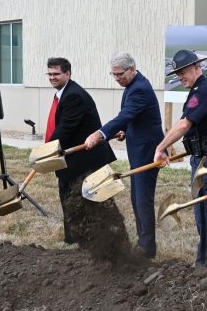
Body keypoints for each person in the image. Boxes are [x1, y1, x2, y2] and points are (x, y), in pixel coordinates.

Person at [154, 49, 207, 270]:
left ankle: (204, 265)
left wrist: (161, 147)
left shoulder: (203, 91)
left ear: (197, 68)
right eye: (177, 73)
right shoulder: (202, 89)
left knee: (204, 208)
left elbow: (184, 124)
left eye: (183, 72)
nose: (179, 77)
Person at [85, 52, 164, 259]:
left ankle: (147, 249)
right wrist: (126, 131)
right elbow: (135, 117)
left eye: (119, 74)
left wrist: (100, 133)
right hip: (139, 145)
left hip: (147, 150)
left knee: (143, 198)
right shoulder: (133, 85)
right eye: (113, 75)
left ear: (131, 69)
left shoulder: (139, 89)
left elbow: (126, 115)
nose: (117, 78)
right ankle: (143, 242)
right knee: (136, 197)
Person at [45, 57, 116, 244]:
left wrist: (46, 152)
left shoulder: (73, 95)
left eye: (56, 74)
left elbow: (64, 129)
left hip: (89, 158)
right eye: (50, 74)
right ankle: (75, 239)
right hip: (76, 157)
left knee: (93, 199)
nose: (52, 77)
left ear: (67, 74)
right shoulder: (64, 93)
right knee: (70, 196)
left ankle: (99, 240)